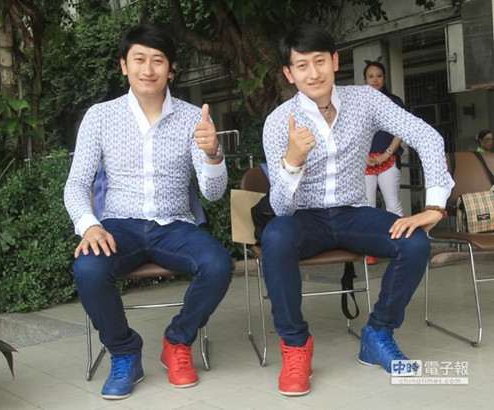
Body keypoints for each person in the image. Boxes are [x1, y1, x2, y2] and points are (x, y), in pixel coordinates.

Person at [261, 24, 454, 396]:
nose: (313, 73)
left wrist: (434, 205)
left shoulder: (365, 100)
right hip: (304, 218)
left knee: (414, 242)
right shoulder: (278, 122)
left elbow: (425, 135)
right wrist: (293, 161)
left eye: (320, 61)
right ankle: (296, 346)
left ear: (335, 61)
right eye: (301, 65)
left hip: (353, 213)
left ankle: (377, 334)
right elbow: (281, 207)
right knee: (276, 235)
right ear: (289, 73)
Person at [64, 24, 233, 400]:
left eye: (158, 60)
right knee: (88, 268)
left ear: (171, 69)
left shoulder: (193, 118)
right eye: (139, 59)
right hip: (118, 227)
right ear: (124, 66)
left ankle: (177, 341)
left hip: (175, 226)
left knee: (219, 264)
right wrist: (89, 226)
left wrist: (212, 154)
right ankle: (125, 352)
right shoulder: (100, 116)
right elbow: (76, 184)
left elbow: (213, 193)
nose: (148, 69)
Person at [363, 59, 405, 265]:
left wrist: (387, 154)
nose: (375, 80)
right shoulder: (357, 103)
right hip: (364, 162)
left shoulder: (394, 101)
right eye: (370, 76)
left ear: (384, 79)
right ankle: (369, 250)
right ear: (365, 79)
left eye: (378, 76)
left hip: (388, 159)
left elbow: (401, 129)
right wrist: (362, 156)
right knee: (367, 206)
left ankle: (402, 246)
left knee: (393, 204)